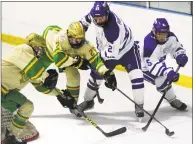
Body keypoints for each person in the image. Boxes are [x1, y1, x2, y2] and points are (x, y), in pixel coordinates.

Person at [1, 33, 76, 144]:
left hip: (6, 93)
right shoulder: (23, 50)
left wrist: (60, 95)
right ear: (33, 46)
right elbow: (35, 71)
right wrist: (47, 76)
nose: (41, 52)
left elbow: (41, 85)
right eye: (39, 48)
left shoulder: (32, 64)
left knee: (27, 106)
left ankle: (11, 136)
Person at [78, 1, 145, 119]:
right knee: (96, 77)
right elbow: (83, 23)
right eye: (96, 18)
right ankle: (88, 101)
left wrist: (93, 62)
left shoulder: (113, 31)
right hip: (108, 51)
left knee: (137, 76)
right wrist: (77, 31)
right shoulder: (95, 14)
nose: (98, 21)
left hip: (127, 51)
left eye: (102, 18)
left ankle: (139, 104)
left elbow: (111, 54)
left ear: (107, 14)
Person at [42, 22, 117, 117]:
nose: (77, 42)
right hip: (48, 42)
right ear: (68, 36)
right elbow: (59, 61)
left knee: (74, 76)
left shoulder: (85, 45)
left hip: (67, 56)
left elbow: (95, 60)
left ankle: (73, 105)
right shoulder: (60, 39)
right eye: (74, 39)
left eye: (80, 39)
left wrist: (106, 72)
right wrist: (78, 62)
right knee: (37, 74)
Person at [141, 18, 188, 111]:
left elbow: (176, 47)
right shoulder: (149, 44)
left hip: (158, 62)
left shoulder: (171, 37)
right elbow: (152, 66)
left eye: (163, 34)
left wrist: (180, 55)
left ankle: (169, 96)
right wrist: (168, 72)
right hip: (143, 66)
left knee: (165, 80)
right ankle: (172, 99)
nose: (161, 36)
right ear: (154, 32)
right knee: (162, 81)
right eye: (158, 33)